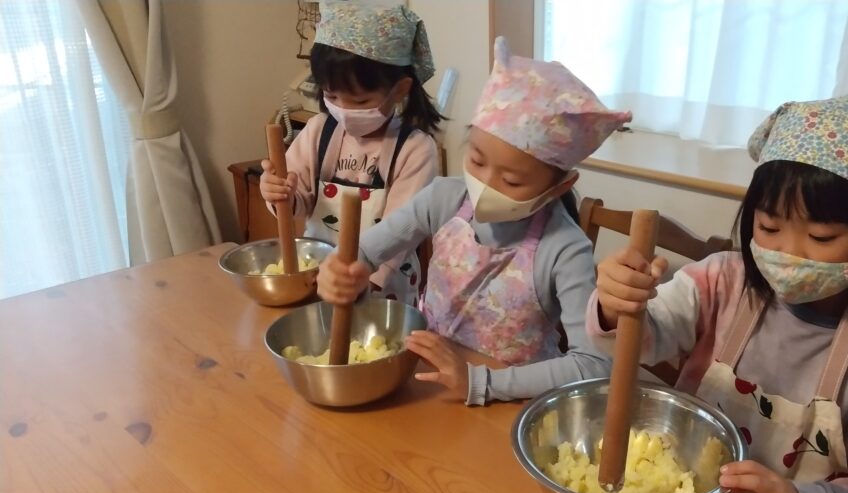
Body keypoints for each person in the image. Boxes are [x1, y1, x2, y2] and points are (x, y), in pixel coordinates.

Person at [589, 94, 848, 493]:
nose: (788, 253)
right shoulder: (721, 282)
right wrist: (618, 304)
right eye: (768, 228)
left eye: (821, 236)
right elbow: (641, 339)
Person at [318, 37, 631, 405]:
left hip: (509, 402)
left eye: (511, 181)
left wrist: (482, 382)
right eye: (477, 160)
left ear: (558, 187)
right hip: (428, 385)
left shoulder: (565, 248)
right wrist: (341, 271)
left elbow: (592, 365)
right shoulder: (443, 198)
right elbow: (364, 253)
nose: (485, 185)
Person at [260, 2, 441, 304]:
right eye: (331, 95)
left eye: (360, 101)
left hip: (382, 291)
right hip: (321, 280)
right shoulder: (317, 131)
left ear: (400, 89)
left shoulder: (415, 150)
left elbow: (401, 234)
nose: (343, 110)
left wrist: (361, 284)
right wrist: (279, 193)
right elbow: (297, 203)